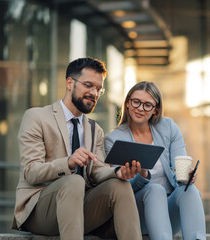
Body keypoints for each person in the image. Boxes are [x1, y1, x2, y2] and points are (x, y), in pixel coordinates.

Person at [11, 57, 142, 240]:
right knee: (74, 181)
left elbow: (97, 170)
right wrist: (68, 162)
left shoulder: (95, 130)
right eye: (88, 85)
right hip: (39, 209)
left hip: (79, 208)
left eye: (98, 88)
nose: (94, 93)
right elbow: (31, 172)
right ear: (70, 83)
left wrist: (117, 172)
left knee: (120, 186)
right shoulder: (36, 117)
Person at [105, 81, 206, 240]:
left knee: (190, 191)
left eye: (147, 105)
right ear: (128, 102)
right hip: (138, 214)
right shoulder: (114, 139)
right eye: (136, 102)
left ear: (156, 109)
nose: (140, 108)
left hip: (169, 213)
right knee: (155, 189)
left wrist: (187, 177)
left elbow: (180, 170)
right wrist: (143, 176)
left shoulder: (169, 127)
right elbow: (120, 192)